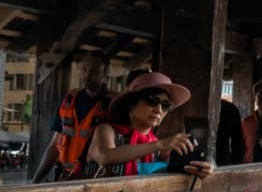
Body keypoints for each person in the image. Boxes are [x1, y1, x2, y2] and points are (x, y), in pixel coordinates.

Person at [84, 71, 213, 179]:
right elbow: (105, 156)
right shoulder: (106, 130)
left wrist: (203, 168)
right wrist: (160, 145)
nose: (159, 110)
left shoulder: (158, 147)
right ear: (131, 104)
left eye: (165, 105)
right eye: (153, 100)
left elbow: (180, 167)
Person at [39, 51, 112, 182]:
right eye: (84, 69)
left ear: (106, 76)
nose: (87, 75)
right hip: (64, 175)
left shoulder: (112, 105)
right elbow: (54, 146)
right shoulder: (69, 100)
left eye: (94, 71)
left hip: (94, 179)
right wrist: (36, 181)